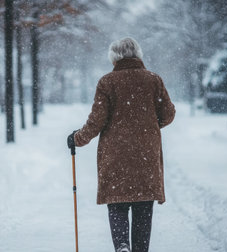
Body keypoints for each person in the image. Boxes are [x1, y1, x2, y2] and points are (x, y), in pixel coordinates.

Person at [67, 37, 176, 252]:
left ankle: (122, 246)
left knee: (117, 204)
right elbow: (169, 114)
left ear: (114, 57)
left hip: (115, 155)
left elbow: (96, 121)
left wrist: (77, 138)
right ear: (138, 54)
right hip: (146, 154)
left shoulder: (107, 82)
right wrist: (148, 127)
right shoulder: (154, 80)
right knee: (143, 207)